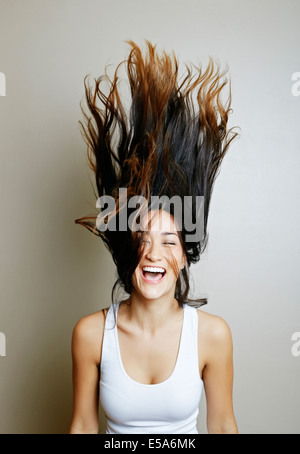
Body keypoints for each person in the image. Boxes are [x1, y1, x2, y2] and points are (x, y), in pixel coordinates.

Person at [69, 41, 239, 434]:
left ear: (184, 256)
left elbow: (224, 425)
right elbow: (81, 424)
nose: (153, 254)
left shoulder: (213, 335)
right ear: (126, 247)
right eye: (142, 238)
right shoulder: (90, 335)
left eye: (169, 241)